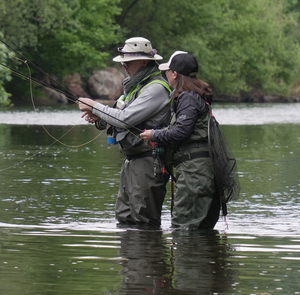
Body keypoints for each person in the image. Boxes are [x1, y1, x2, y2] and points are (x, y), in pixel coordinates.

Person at [78, 37, 172, 226]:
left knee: (143, 221)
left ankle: (147, 255)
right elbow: (122, 116)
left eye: (128, 62)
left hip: (149, 162)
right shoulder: (136, 86)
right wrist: (101, 117)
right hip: (132, 162)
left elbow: (124, 119)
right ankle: (130, 256)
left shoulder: (155, 88)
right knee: (124, 219)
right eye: (123, 62)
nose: (124, 67)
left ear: (145, 61)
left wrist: (94, 106)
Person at [139, 51, 221, 231]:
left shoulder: (188, 98)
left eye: (167, 72)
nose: (165, 75)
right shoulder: (196, 96)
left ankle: (188, 259)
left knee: (184, 229)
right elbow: (185, 129)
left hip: (195, 175)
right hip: (201, 172)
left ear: (175, 74)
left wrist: (154, 135)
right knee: (199, 230)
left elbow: (181, 132)